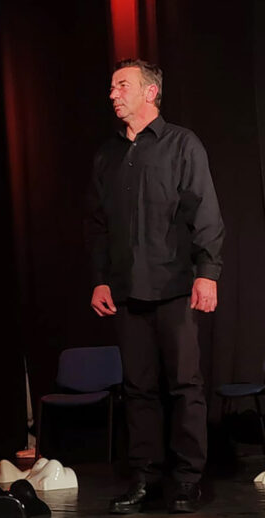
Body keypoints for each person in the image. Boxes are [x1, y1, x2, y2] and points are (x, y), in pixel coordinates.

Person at [85, 59, 224, 514]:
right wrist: (100, 280)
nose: (113, 94)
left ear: (150, 92)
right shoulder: (107, 155)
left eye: (122, 85)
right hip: (126, 289)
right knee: (138, 388)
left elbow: (204, 211)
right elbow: (98, 225)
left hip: (175, 284)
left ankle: (187, 480)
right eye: (111, 87)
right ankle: (145, 478)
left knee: (185, 384)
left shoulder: (182, 144)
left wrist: (208, 272)